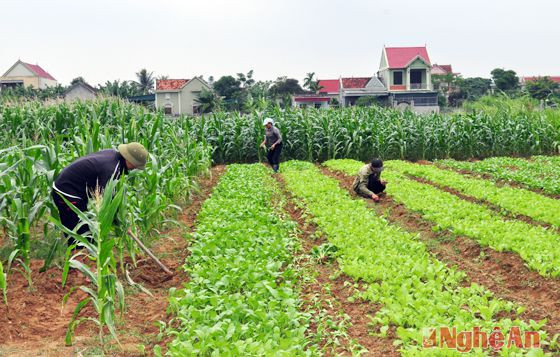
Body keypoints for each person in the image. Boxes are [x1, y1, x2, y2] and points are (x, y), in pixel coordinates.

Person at [51, 142, 148, 245]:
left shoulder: (113, 155)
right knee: (80, 237)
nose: (135, 168)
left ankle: (83, 257)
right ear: (129, 159)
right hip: (67, 193)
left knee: (84, 234)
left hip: (73, 190)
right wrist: (121, 219)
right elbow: (106, 198)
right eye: (135, 165)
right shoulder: (111, 168)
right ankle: (78, 257)